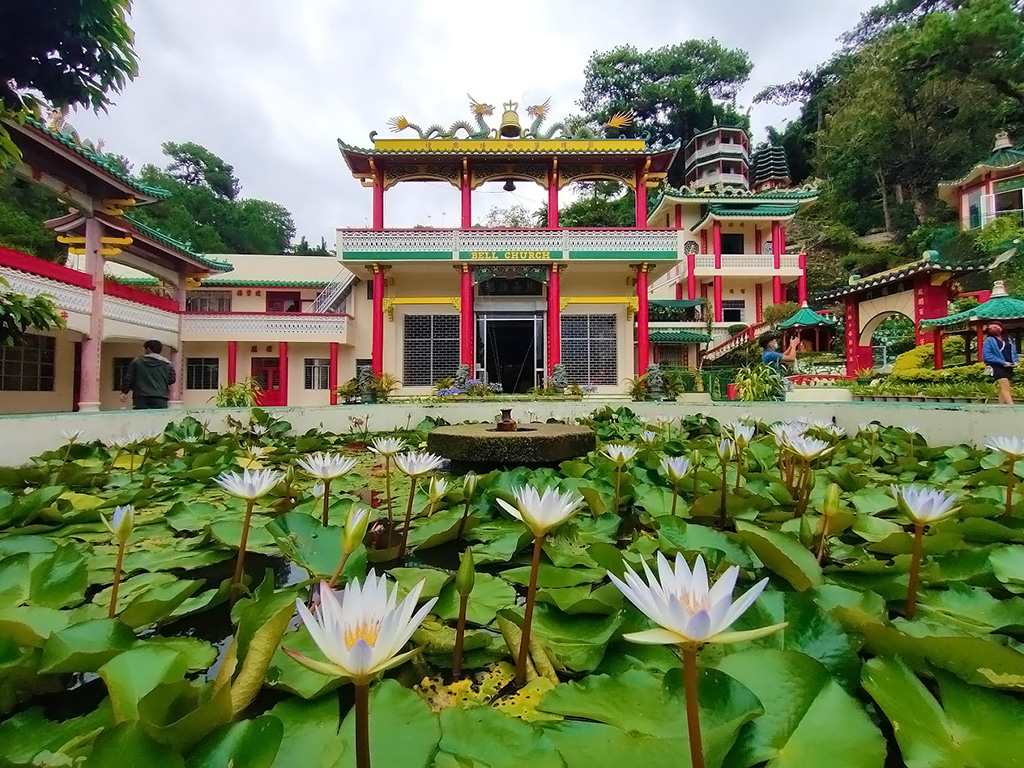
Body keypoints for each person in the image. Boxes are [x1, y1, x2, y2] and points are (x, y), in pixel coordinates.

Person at [120, 340, 176, 409]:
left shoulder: (137, 361)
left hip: (141, 397)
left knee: (141, 418)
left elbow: (129, 378)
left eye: (145, 349)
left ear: (148, 349)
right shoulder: (167, 364)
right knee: (159, 418)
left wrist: (124, 391)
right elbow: (172, 379)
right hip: (160, 397)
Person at [982, 322, 1019, 404]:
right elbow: (987, 355)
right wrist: (1002, 362)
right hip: (997, 366)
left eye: (995, 327)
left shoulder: (1008, 339)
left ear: (1001, 328)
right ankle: (1012, 407)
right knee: (1005, 386)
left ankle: (1000, 406)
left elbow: (1014, 351)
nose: (993, 329)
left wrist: (1016, 361)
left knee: (1004, 387)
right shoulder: (989, 341)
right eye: (990, 328)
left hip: (1009, 365)